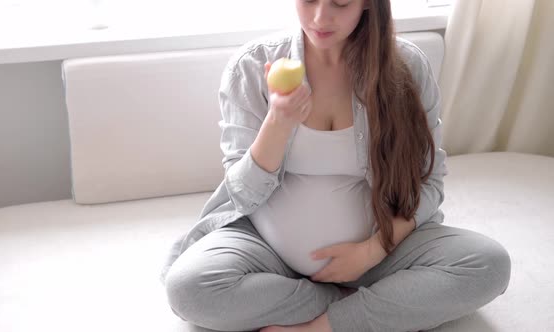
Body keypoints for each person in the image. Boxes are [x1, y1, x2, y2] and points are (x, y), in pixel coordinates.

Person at [161, 0, 511, 331]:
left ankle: (331, 324)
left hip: (381, 253)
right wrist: (278, 123)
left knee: (489, 265)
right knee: (188, 288)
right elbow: (241, 194)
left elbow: (429, 183)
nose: (319, 18)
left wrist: (372, 251)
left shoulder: (407, 68)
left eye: (340, 3)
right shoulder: (252, 67)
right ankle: (363, 303)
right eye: (309, 1)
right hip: (267, 254)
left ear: (368, 4)